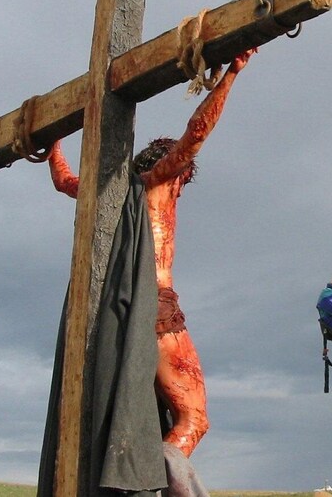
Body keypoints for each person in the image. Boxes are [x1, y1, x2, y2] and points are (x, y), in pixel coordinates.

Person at [48, 49, 255, 458]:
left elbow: (64, 180)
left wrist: (52, 138)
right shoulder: (159, 182)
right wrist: (232, 73)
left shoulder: (104, 193)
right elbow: (195, 135)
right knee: (194, 419)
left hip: (109, 312)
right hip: (156, 310)